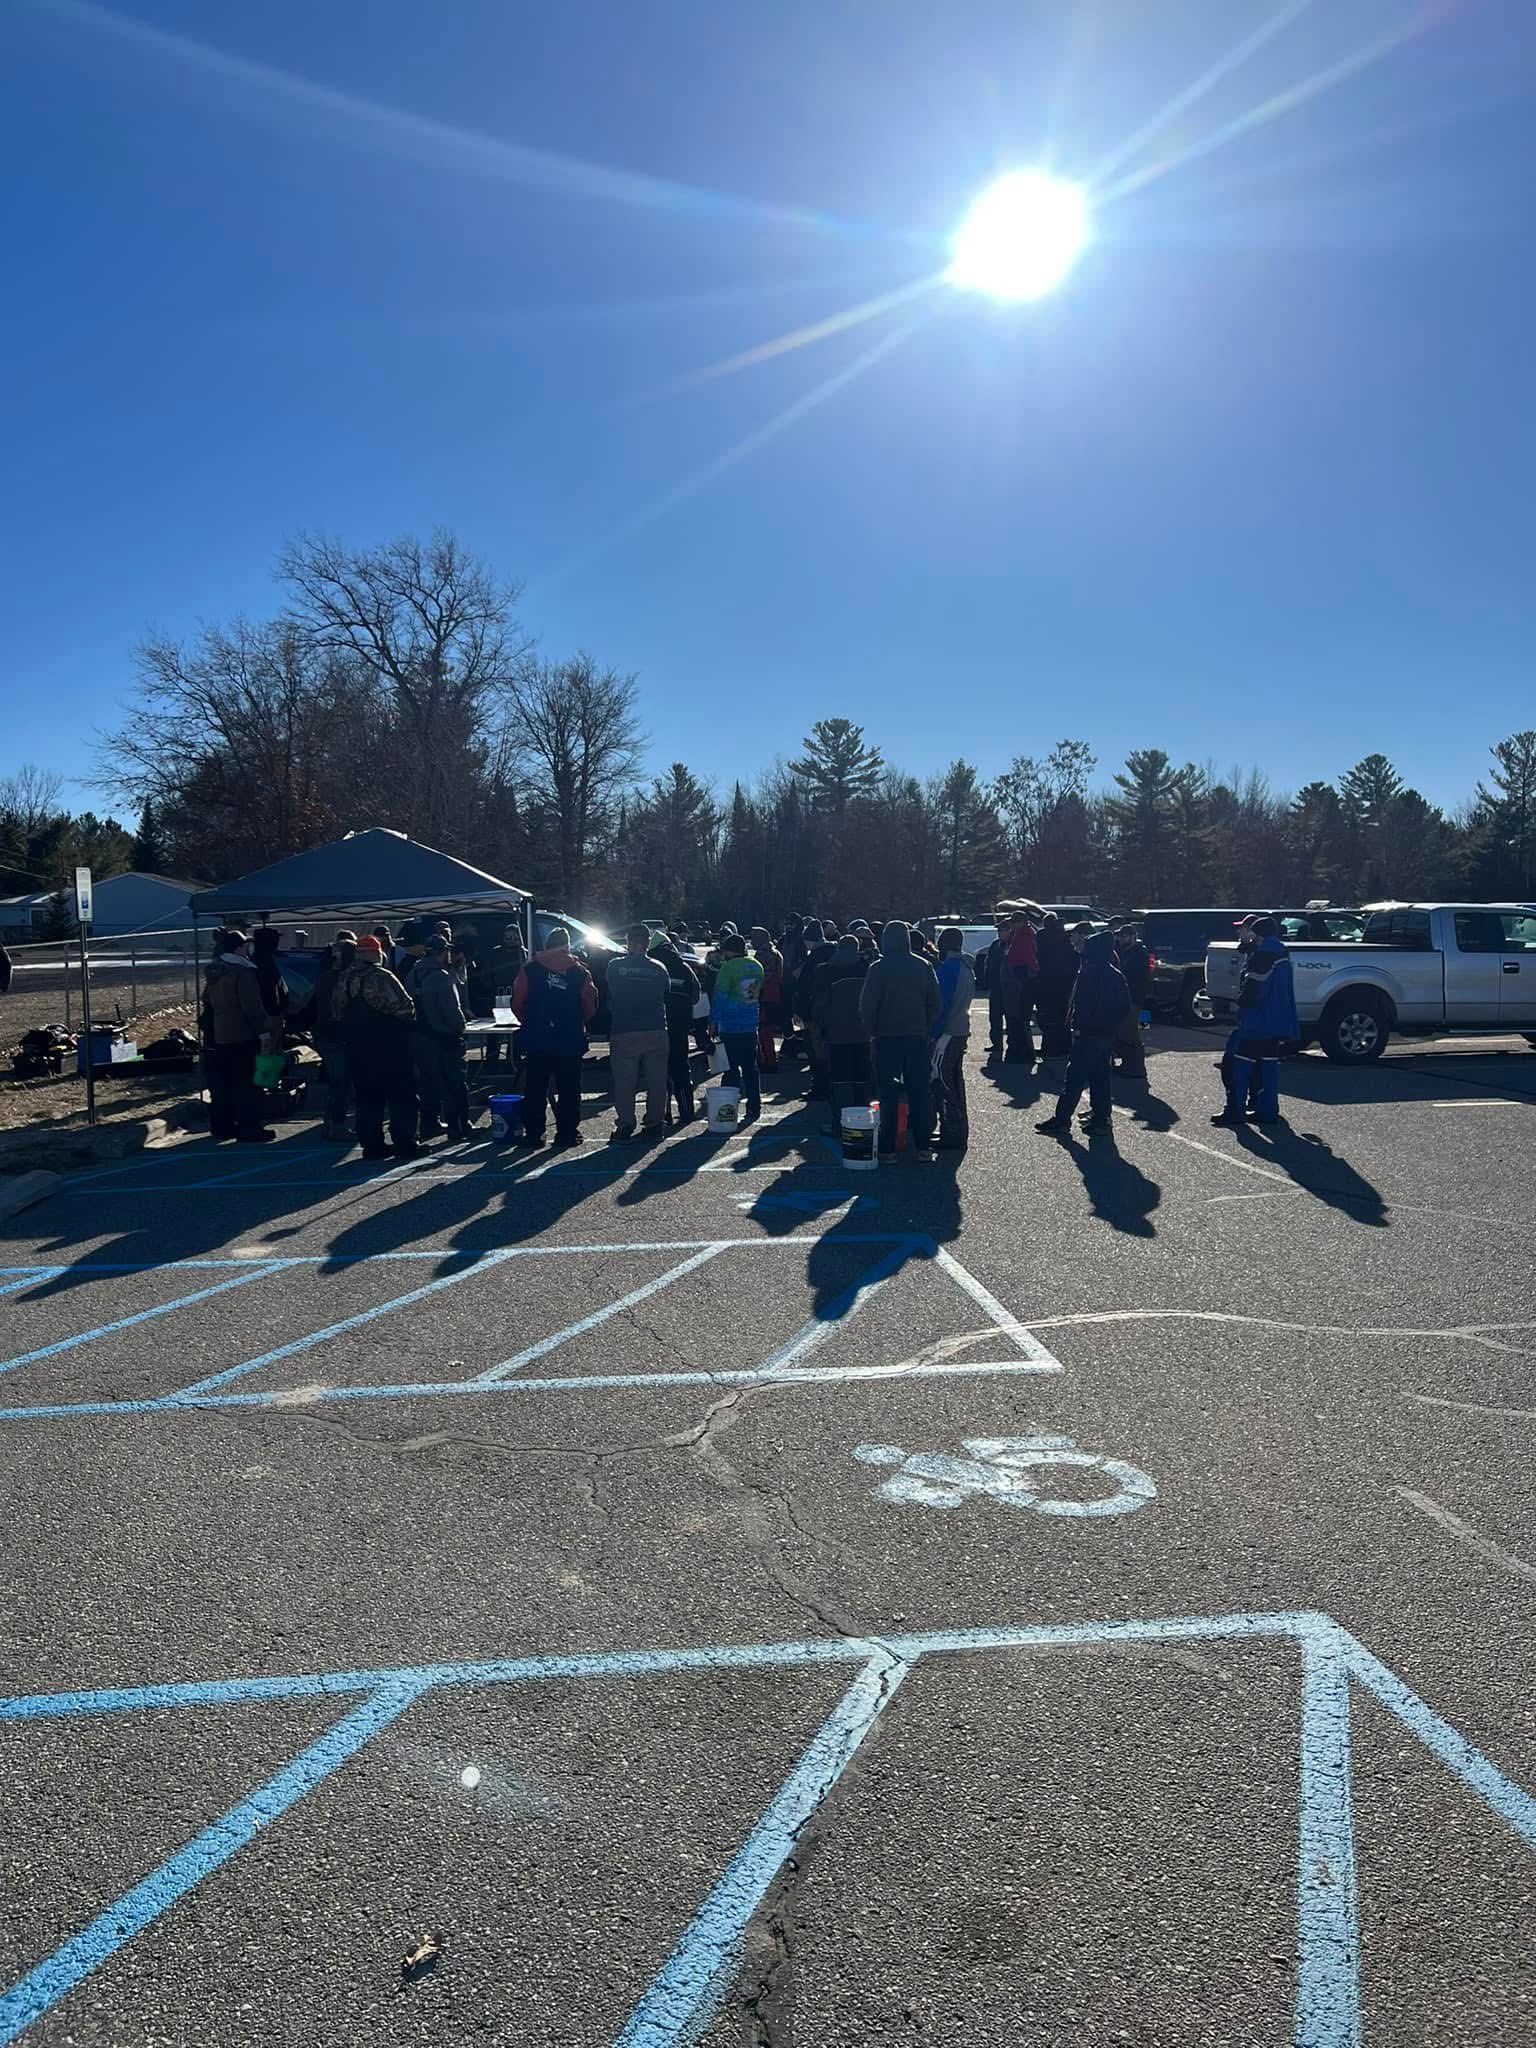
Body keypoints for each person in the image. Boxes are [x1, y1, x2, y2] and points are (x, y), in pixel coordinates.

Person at [333, 934, 422, 1159]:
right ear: (376, 952)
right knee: (402, 1096)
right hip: (390, 1047)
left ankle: (372, 1146)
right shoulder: (382, 976)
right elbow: (405, 1009)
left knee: (367, 1099)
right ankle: (405, 1143)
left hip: (357, 1049)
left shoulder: (344, 978)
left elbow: (336, 1012)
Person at [859, 919, 942, 1161]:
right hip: (916, 1036)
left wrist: (871, 1031)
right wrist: (924, 1025)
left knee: (888, 1093)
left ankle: (888, 1149)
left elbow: (867, 1006)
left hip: (887, 1037)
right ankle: (924, 1146)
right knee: (920, 1091)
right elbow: (935, 1002)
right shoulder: (923, 965)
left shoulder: (878, 968)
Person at [1036, 931, 1131, 1138]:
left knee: (1075, 1078)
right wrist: (1111, 1024)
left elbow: (1084, 1004)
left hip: (1088, 1034)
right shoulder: (1115, 974)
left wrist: (1079, 1026)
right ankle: (1101, 1119)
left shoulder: (1090, 973)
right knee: (1100, 1079)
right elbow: (1125, 1006)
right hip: (1106, 1034)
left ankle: (1062, 1120)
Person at [511, 925, 596, 1147]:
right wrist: (579, 1021)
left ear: (547, 945)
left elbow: (517, 1000)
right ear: (568, 946)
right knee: (569, 1088)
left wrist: (528, 1021)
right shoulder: (580, 971)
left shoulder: (530, 968)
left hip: (538, 1035)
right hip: (569, 1036)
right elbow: (590, 1004)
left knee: (535, 1087)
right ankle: (567, 1133)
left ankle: (534, 1134)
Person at [1214, 916, 1297, 1127]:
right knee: (1268, 1067)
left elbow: (1253, 992)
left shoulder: (1262, 956)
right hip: (1277, 1023)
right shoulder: (1281, 952)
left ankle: (1235, 1110)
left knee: (1235, 1065)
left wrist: (1238, 1005)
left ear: (1256, 934)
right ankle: (1267, 1111)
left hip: (1256, 1022)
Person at [201, 926, 280, 1142]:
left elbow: (206, 1001)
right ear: (239, 948)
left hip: (219, 1035)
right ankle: (249, 1128)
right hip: (242, 1034)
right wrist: (263, 1033)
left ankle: (222, 1126)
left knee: (223, 1085)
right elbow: (252, 1007)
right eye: (246, 945)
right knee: (247, 1084)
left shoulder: (215, 972)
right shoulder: (242, 972)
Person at [606, 923, 672, 1139]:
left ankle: (625, 1124)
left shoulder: (614, 966)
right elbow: (666, 992)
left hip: (625, 1029)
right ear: (647, 943)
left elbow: (610, 990)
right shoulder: (659, 967)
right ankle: (655, 1123)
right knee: (657, 1080)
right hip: (655, 1028)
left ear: (627, 942)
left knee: (625, 1080)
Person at [413, 933, 474, 1140]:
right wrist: (461, 1028)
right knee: (455, 1084)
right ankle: (460, 1126)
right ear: (443, 952)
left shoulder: (413, 974)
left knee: (428, 1084)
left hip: (421, 1037)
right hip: (445, 1038)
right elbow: (453, 1010)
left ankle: (429, 1124)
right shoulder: (441, 976)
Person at [813, 933, 872, 1126]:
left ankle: (840, 1121)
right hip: (863, 1032)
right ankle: (862, 1120)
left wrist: (820, 1026)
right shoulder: (867, 968)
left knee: (839, 1079)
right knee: (862, 1078)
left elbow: (818, 1005)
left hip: (835, 1033)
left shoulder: (825, 971)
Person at [711, 932, 765, 1121]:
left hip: (730, 1026)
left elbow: (720, 997)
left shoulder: (728, 968)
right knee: (751, 1068)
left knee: (731, 1069)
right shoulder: (757, 966)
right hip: (750, 1024)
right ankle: (754, 1107)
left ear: (727, 951)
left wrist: (712, 1022)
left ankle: (728, 1109)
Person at [932, 927, 977, 1150]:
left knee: (942, 1080)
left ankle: (950, 1131)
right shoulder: (967, 966)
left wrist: (933, 1032)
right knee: (956, 1081)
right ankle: (960, 1130)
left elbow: (941, 1004)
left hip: (947, 1032)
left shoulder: (948, 969)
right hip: (961, 1029)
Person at [650, 937, 702, 1125]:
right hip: (680, 1026)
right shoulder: (684, 967)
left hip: (657, 1025)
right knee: (681, 1068)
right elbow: (696, 996)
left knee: (658, 1072)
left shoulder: (651, 966)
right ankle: (687, 1111)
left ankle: (663, 1115)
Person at [312, 932, 357, 1140]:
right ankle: (336, 1124)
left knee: (336, 1080)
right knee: (341, 1080)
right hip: (338, 1033)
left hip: (323, 1032)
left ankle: (331, 1122)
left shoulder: (324, 976)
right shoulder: (345, 978)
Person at [1109, 919, 1151, 1082]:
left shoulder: (1139, 953)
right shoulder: (1124, 951)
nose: (1120, 939)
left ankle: (1136, 1068)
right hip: (1126, 999)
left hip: (1135, 999)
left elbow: (1132, 976)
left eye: (1124, 936)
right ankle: (1128, 1064)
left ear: (1133, 936)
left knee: (1132, 1033)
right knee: (1124, 1032)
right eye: (1119, 936)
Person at [1033, 913, 1078, 1059]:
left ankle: (1050, 1047)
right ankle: (1064, 1047)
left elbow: (1038, 955)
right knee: (1062, 1017)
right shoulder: (1064, 937)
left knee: (1048, 1017)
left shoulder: (1043, 936)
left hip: (1047, 982)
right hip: (1064, 983)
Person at [1001, 913, 1039, 1065]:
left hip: (1020, 982)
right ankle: (1022, 1052)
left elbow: (1026, 960)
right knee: (1017, 1020)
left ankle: (1022, 1053)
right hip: (1017, 981)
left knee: (1019, 1020)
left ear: (1023, 922)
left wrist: (1021, 979)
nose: (1013, 925)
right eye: (1013, 922)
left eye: (1017, 922)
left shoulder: (1026, 936)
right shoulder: (1016, 936)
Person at [749, 925, 784, 1074]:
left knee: (763, 1030)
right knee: (766, 1030)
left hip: (764, 996)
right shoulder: (775, 953)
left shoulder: (764, 954)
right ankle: (769, 1060)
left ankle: (767, 1061)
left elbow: (762, 977)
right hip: (774, 995)